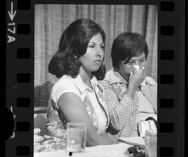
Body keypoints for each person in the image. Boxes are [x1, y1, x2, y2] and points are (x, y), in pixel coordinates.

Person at [47, 18, 117, 146]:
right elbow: (91, 139)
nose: (99, 53)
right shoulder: (66, 87)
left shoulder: (95, 84)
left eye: (101, 47)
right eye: (92, 46)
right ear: (74, 51)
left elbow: (103, 132)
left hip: (95, 156)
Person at [101, 32, 157, 138]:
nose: (137, 67)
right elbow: (116, 123)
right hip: (128, 146)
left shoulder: (150, 83)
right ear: (118, 63)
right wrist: (132, 87)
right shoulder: (106, 83)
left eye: (142, 60)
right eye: (131, 62)